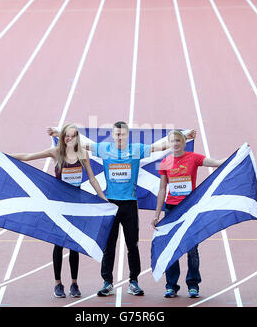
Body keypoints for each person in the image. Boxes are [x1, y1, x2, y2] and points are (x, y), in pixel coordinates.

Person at [48, 122, 196, 296]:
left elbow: (158, 147)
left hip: (130, 204)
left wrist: (184, 136)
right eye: (117, 134)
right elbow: (82, 143)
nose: (119, 137)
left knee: (132, 245)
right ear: (112, 135)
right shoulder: (103, 149)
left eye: (122, 134)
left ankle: (134, 281)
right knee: (108, 246)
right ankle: (107, 282)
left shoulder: (135, 149)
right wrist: (59, 132)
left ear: (127, 135)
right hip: (111, 204)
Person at [11, 123, 107, 298]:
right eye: (66, 136)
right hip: (59, 207)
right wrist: (5, 157)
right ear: (63, 138)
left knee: (74, 246)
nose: (69, 139)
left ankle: (74, 284)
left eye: (72, 136)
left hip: (75, 207)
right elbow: (27, 156)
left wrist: (103, 198)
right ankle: (58, 283)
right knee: (59, 244)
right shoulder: (56, 152)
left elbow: (92, 178)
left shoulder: (82, 154)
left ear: (77, 138)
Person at [151, 130, 227, 298]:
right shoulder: (165, 162)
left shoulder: (194, 157)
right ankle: (171, 285)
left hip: (190, 209)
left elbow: (217, 163)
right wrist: (157, 215)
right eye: (172, 141)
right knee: (171, 248)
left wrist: (237, 155)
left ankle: (193, 284)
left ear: (183, 142)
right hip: (171, 210)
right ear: (169, 144)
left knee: (192, 249)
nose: (175, 144)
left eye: (178, 140)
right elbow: (162, 189)